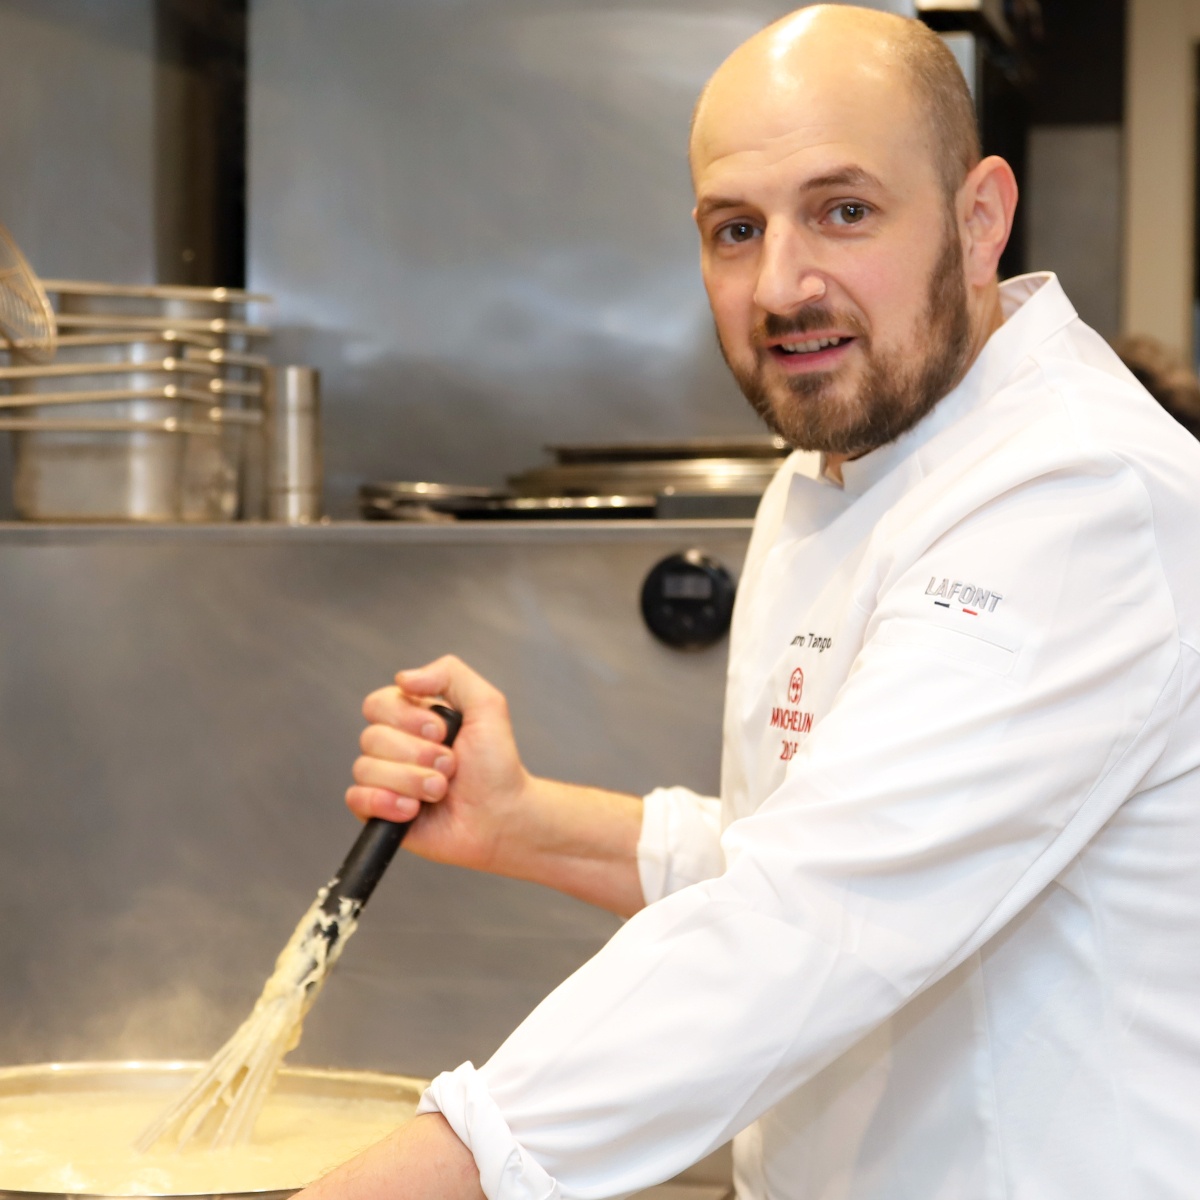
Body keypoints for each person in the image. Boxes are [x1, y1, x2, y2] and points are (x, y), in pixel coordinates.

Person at [300, 6, 1200, 1198]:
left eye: (844, 210)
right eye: (736, 229)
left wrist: (424, 1175)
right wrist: (529, 823)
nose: (781, 285)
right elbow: (806, 839)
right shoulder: (828, 468)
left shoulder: (1080, 497)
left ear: (980, 218)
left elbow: (808, 920)